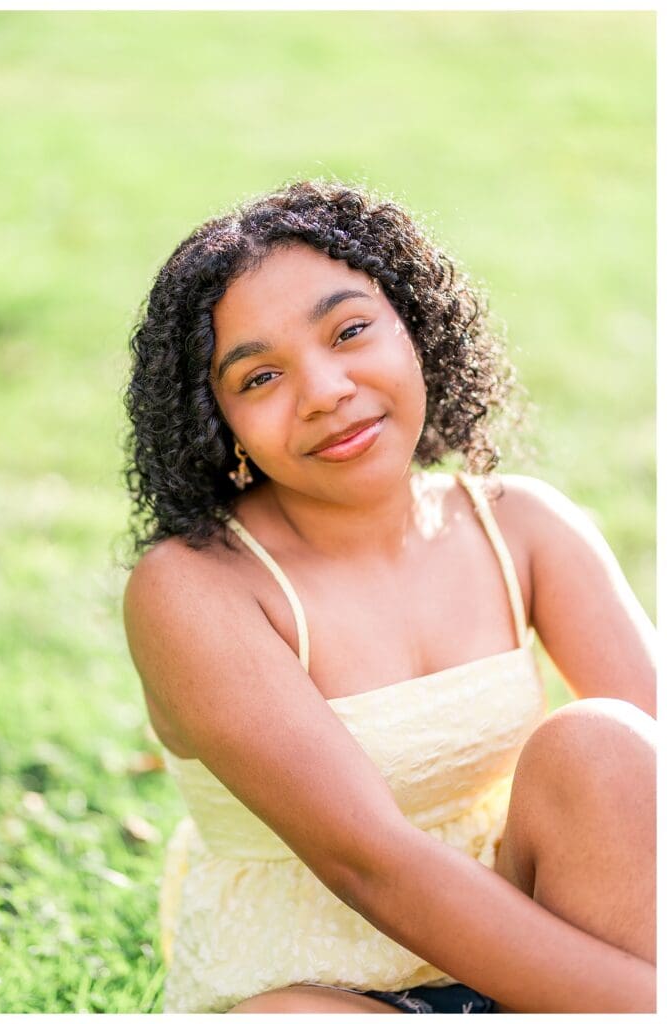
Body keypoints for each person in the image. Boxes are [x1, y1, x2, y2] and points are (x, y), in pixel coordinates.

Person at [122, 180, 656, 1014]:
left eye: (352, 331)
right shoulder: (194, 589)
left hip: (538, 940)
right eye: (260, 377)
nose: (328, 388)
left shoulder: (524, 526)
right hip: (323, 985)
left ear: (419, 330)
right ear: (216, 423)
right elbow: (370, 864)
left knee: (610, 744)